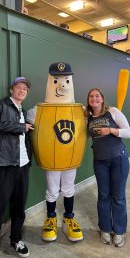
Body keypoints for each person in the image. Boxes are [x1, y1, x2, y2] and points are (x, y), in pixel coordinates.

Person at [27, 63, 84, 243]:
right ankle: (51, 218)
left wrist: (112, 115)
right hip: (52, 158)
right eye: (57, 81)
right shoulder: (36, 111)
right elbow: (22, 121)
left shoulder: (81, 110)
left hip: (70, 156)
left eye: (67, 80)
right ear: (50, 82)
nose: (62, 86)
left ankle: (68, 218)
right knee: (52, 189)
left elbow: (97, 119)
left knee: (68, 188)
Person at [0, 77, 34, 258]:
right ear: (11, 89)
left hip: (22, 166)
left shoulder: (24, 111)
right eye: (19, 87)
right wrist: (19, 127)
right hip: (3, 166)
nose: (22, 91)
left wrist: (29, 159)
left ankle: (16, 239)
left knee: (19, 207)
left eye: (25, 89)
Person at [85, 88, 130, 248]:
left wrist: (111, 130)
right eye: (91, 96)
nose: (94, 98)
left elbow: (128, 132)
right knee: (103, 196)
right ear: (88, 100)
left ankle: (119, 231)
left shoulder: (113, 111)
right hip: (100, 162)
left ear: (102, 99)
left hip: (119, 160)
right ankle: (105, 229)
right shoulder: (88, 118)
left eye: (97, 95)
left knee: (118, 196)